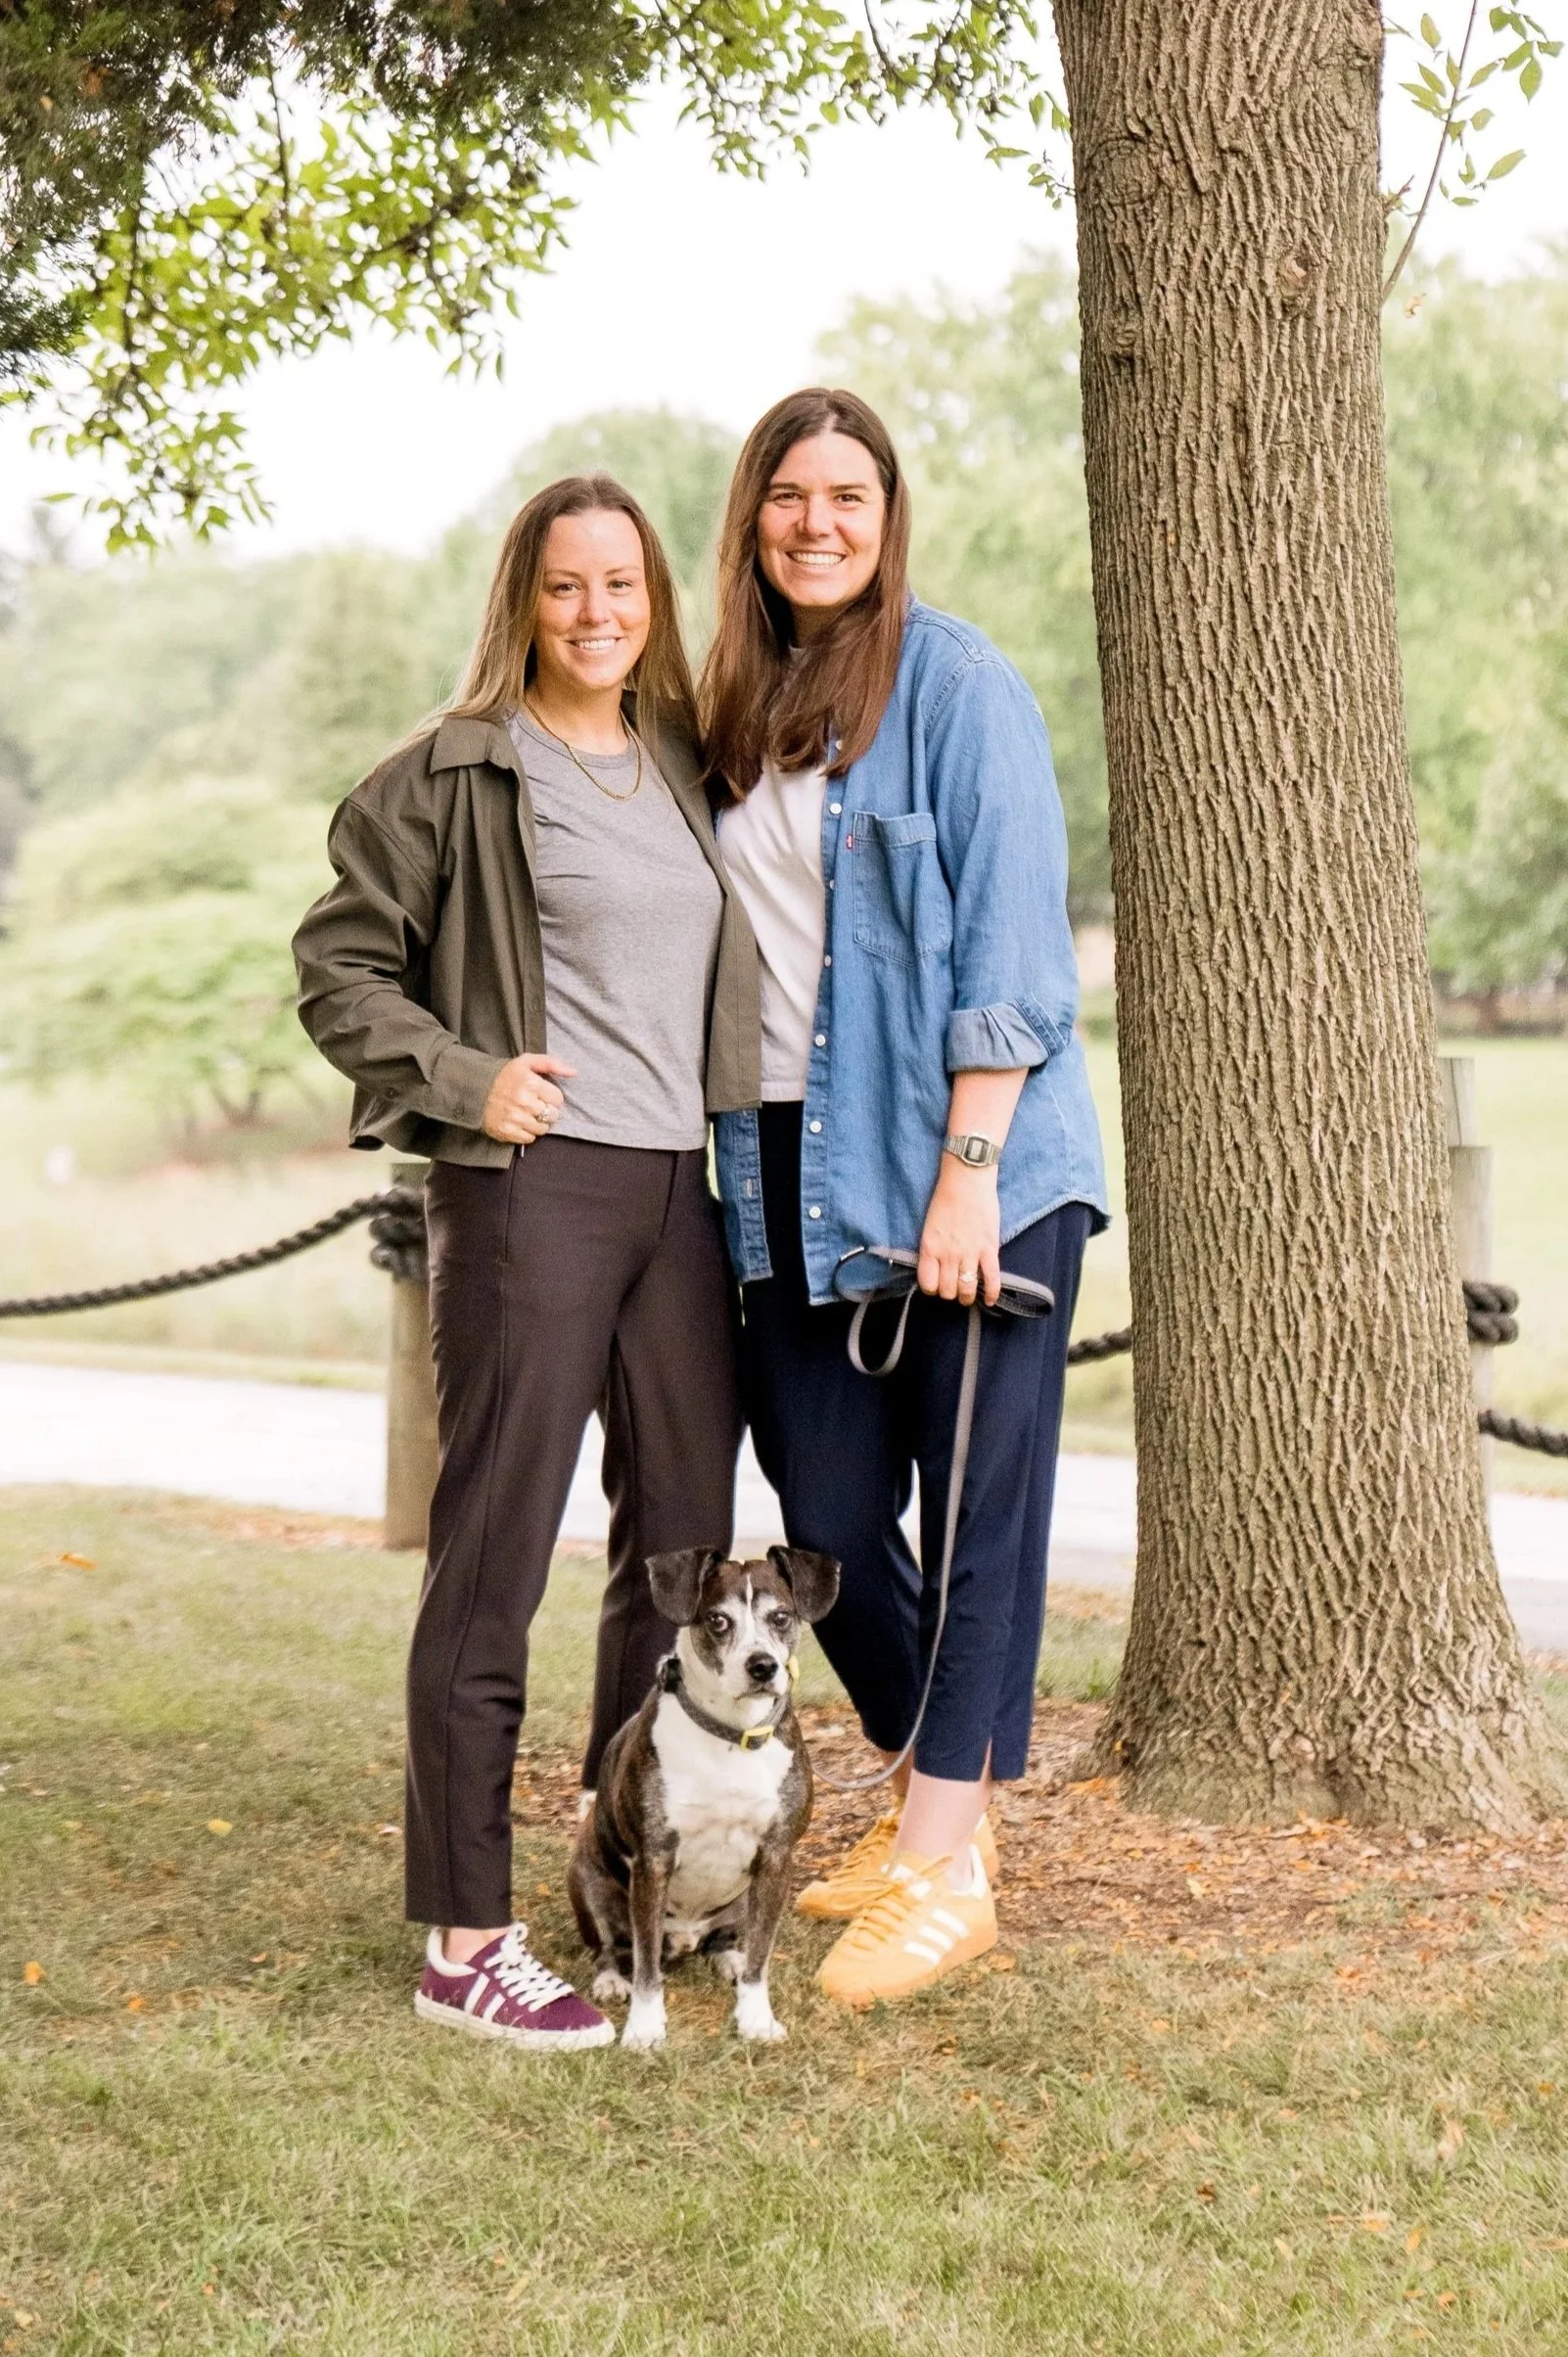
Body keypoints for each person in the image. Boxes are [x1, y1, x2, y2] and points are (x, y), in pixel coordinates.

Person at [294, 474, 761, 2050]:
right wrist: (462, 1073)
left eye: (620, 587)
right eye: (566, 588)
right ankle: (463, 1939)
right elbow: (337, 968)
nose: (595, 614)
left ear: (653, 602)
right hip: (527, 1191)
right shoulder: (447, 775)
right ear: (522, 600)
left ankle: (623, 1870)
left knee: (681, 1549)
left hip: (677, 1196)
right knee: (494, 1550)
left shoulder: (686, 759)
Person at [700, 388, 1109, 2009]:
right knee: (823, 1513)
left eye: (847, 496)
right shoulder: (738, 701)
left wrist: (969, 1178)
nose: (817, 522)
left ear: (887, 515)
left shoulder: (954, 683)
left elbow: (1013, 958)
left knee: (978, 1512)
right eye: (789, 496)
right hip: (800, 1173)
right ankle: (932, 1800)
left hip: (971, 1168)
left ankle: (947, 1862)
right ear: (751, 517)